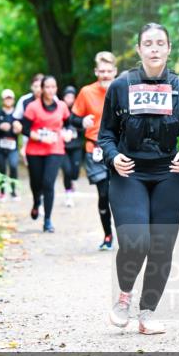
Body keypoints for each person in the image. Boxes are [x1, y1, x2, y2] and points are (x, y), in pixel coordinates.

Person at [97, 23, 179, 335]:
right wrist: (112, 156)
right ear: (138, 50)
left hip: (168, 175)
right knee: (137, 239)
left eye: (160, 43)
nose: (154, 49)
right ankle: (123, 298)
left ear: (169, 48)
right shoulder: (120, 86)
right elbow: (106, 133)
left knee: (161, 247)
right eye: (147, 43)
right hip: (129, 172)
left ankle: (147, 314)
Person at [67, 52, 117, 250]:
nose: (105, 75)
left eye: (108, 71)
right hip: (94, 148)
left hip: (120, 150)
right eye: (101, 71)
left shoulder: (125, 90)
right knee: (104, 194)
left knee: (122, 195)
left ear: (115, 71)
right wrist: (82, 121)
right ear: (96, 71)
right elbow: (72, 118)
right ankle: (107, 236)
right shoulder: (86, 92)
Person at [23, 76, 72, 233]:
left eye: (53, 87)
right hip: (35, 150)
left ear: (56, 89)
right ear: (42, 89)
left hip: (55, 149)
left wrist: (68, 133)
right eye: (47, 87)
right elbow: (24, 128)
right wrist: (39, 136)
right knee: (36, 183)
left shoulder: (62, 106)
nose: (50, 90)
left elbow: (69, 123)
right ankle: (37, 201)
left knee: (48, 183)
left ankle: (48, 220)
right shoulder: (32, 107)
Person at [0, 88, 22, 201]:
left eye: (10, 98)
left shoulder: (17, 114)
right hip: (0, 147)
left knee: (13, 166)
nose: (8, 101)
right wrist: (0, 127)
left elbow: (23, 128)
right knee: (2, 169)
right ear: (2, 100)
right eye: (6, 98)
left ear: (13, 100)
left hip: (13, 146)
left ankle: (13, 192)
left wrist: (17, 130)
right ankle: (2, 192)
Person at [59, 85, 85, 207]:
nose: (69, 99)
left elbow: (84, 125)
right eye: (67, 96)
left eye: (71, 96)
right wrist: (63, 132)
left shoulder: (79, 110)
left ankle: (72, 182)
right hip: (62, 146)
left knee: (75, 172)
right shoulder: (58, 109)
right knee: (67, 171)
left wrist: (74, 130)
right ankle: (68, 195)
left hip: (76, 145)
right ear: (63, 97)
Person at [13, 74, 44, 164]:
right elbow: (15, 118)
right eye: (36, 86)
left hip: (47, 138)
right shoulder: (24, 100)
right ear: (31, 87)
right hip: (28, 138)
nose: (38, 89)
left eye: (41, 86)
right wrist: (17, 126)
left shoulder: (53, 99)